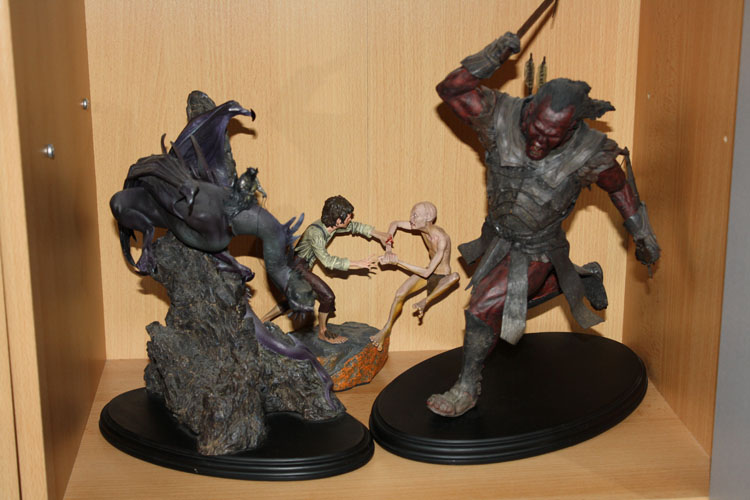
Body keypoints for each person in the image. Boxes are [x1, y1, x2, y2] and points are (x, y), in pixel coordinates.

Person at [427, 32, 660, 417]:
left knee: (481, 308)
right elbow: (451, 90)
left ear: (572, 129)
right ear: (529, 107)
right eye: (534, 129)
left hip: (537, 248)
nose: (538, 143)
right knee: (498, 301)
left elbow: (620, 189)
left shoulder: (590, 153)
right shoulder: (498, 117)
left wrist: (643, 234)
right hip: (496, 236)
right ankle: (575, 279)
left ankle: (467, 386)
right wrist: (493, 55)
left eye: (552, 137)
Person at [262, 195, 389, 344]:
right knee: (327, 296)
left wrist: (379, 234)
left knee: (293, 299)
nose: (350, 219)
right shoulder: (316, 233)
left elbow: (355, 227)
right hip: (296, 268)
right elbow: (327, 261)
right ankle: (323, 332)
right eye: (348, 217)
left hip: (300, 266)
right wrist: (357, 263)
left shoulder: (331, 226)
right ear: (338, 221)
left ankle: (262, 320)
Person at [370, 202, 459, 351]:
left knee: (455, 276)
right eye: (411, 215)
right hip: (428, 271)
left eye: (415, 215)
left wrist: (397, 262)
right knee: (399, 294)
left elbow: (426, 273)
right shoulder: (421, 227)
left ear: (428, 217)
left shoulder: (441, 238)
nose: (411, 219)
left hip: (441, 276)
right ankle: (386, 329)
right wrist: (388, 249)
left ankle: (425, 301)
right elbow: (395, 224)